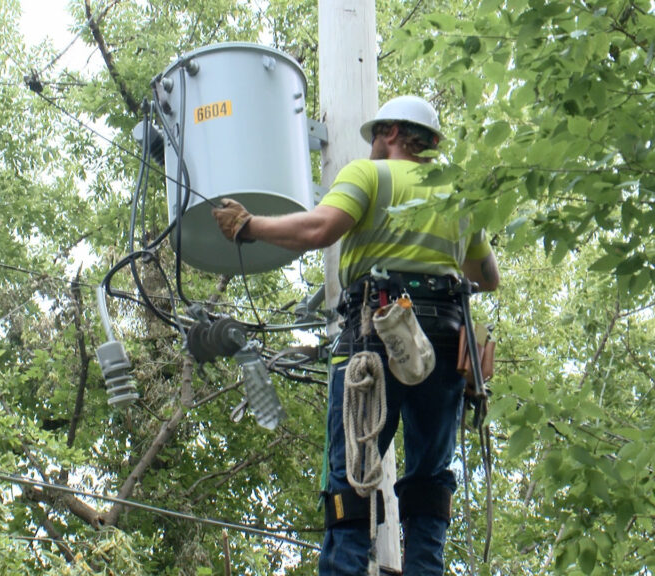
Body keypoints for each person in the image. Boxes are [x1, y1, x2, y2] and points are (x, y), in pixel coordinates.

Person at [212, 95, 500, 575]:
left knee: (350, 478)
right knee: (430, 479)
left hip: (375, 335)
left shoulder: (370, 176)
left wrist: (249, 226)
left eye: (374, 139)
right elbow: (486, 276)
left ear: (390, 133)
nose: (370, 149)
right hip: (446, 345)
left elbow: (320, 229)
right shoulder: (458, 195)